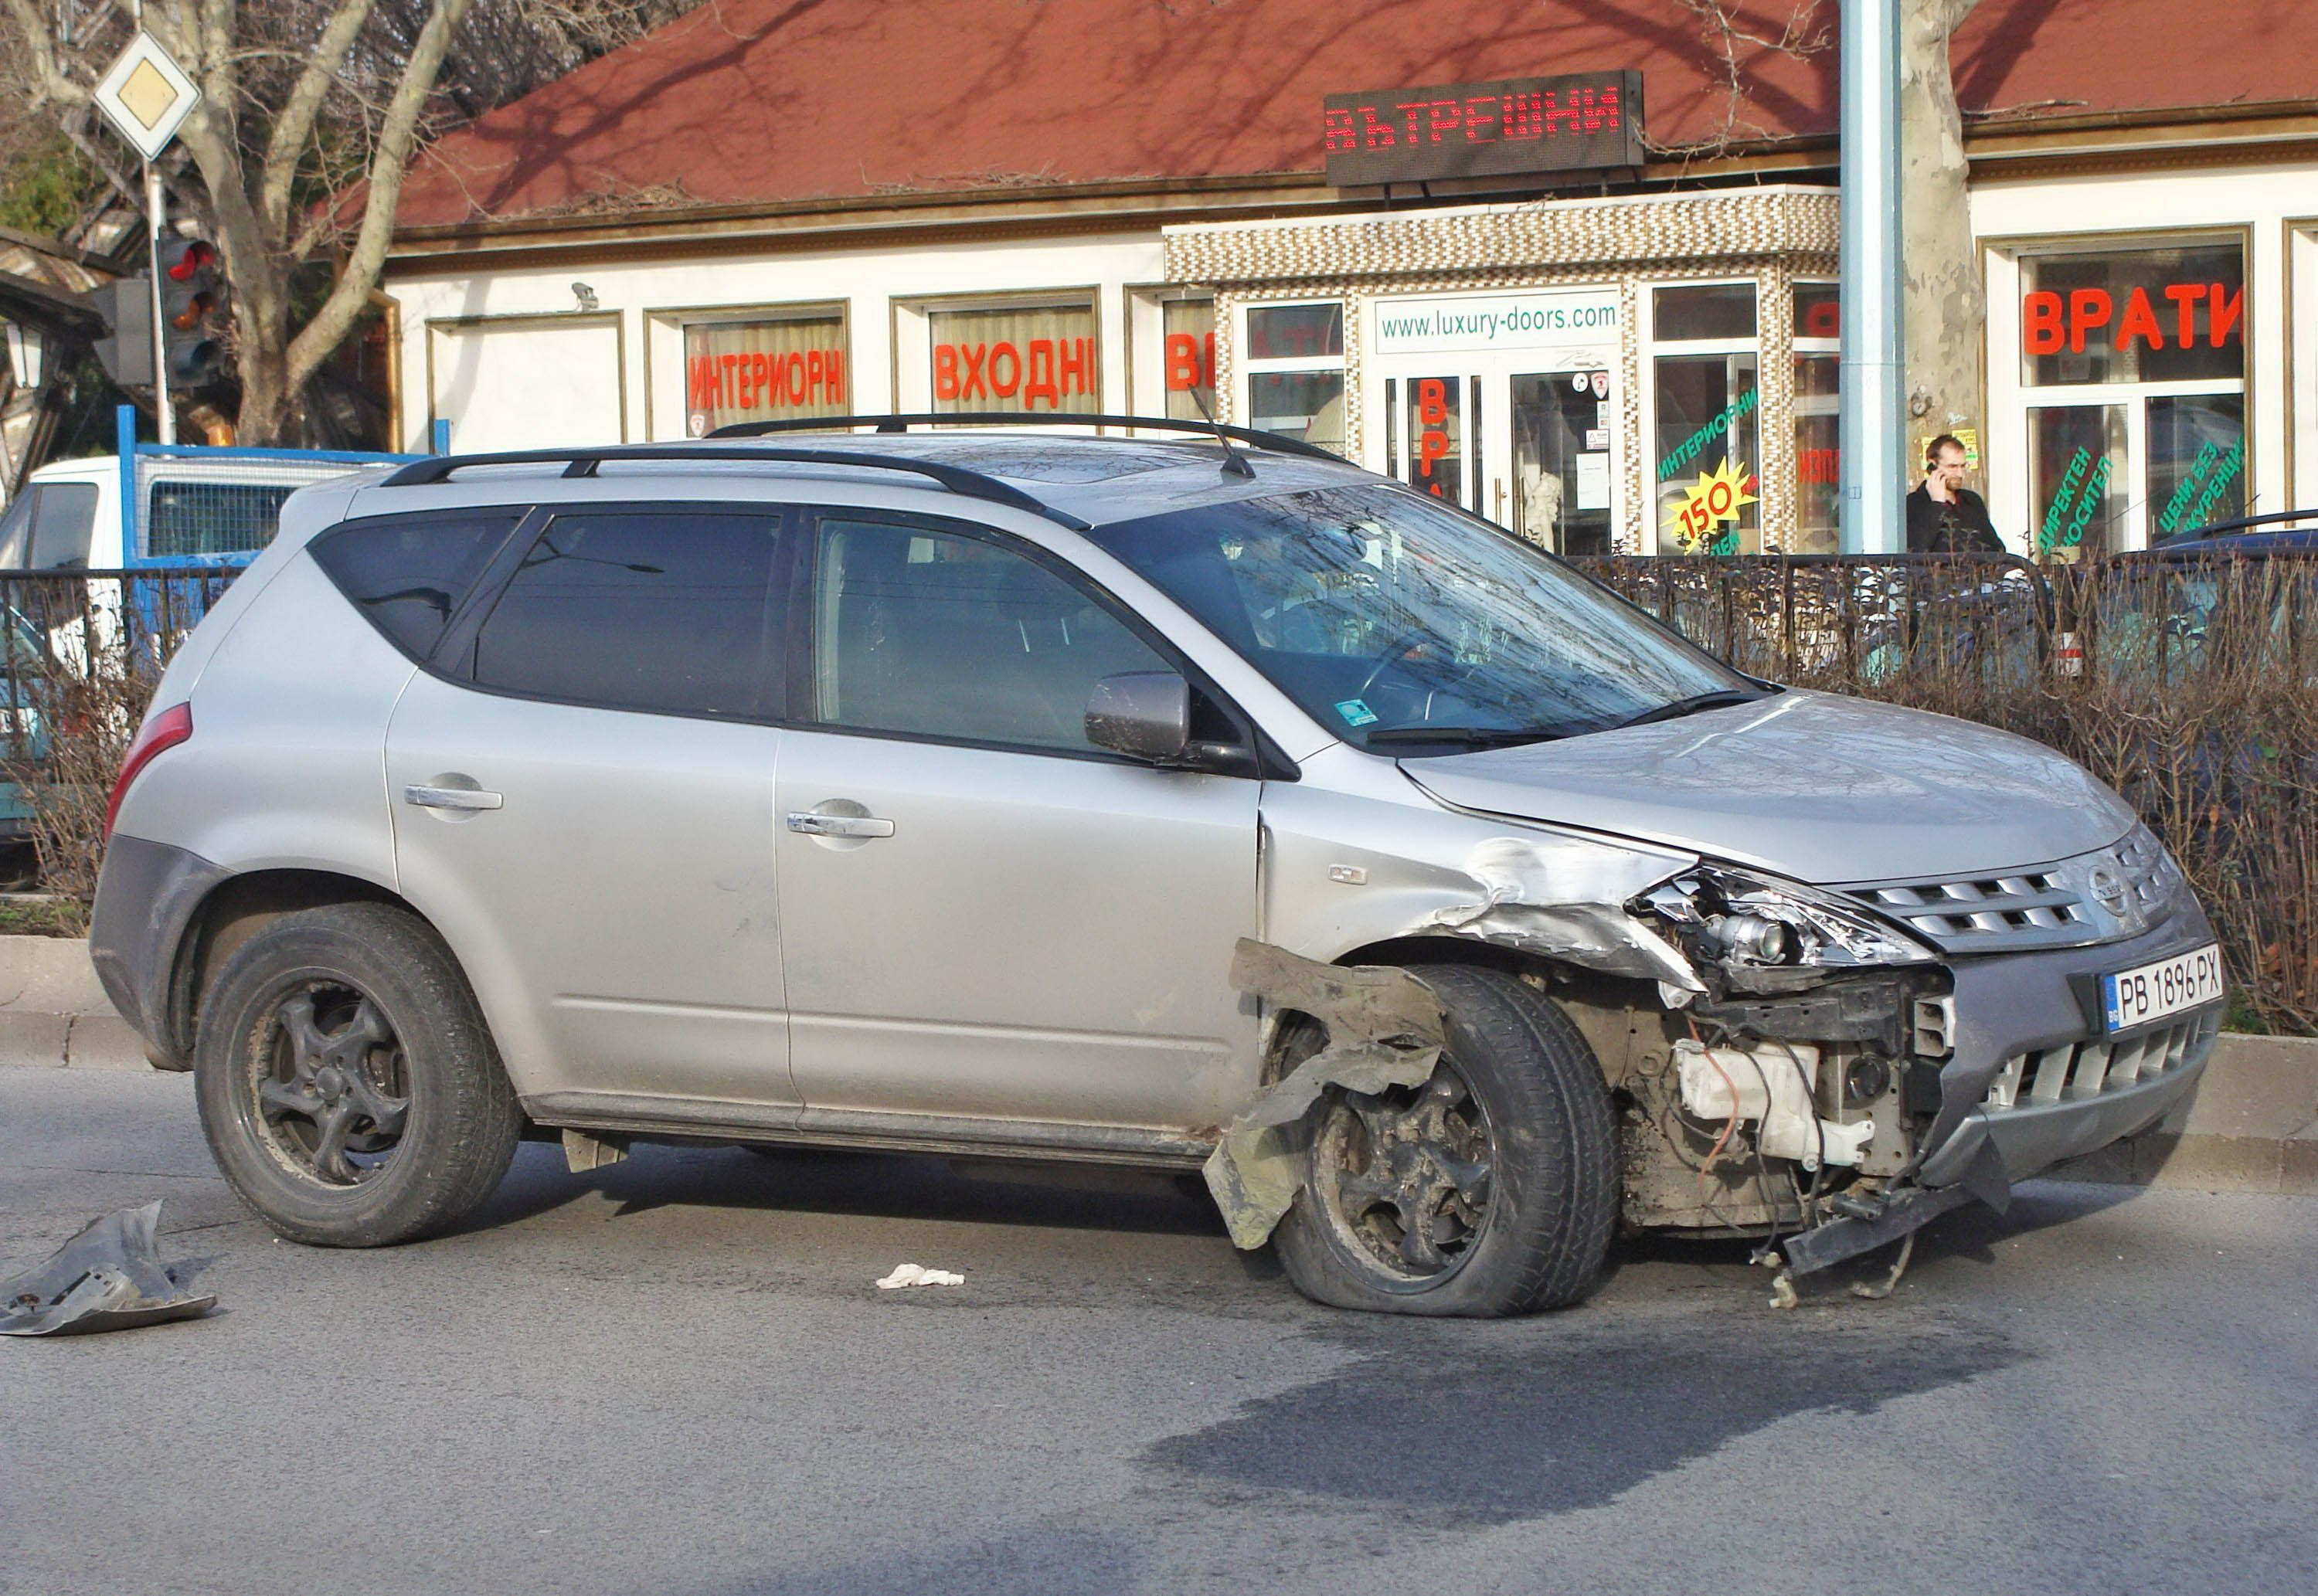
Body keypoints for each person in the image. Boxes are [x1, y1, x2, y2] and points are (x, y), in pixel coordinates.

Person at [1906, 434, 2005, 554]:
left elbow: (1996, 548)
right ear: (1933, 465)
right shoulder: (1914, 503)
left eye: (1963, 466)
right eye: (1952, 467)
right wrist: (1937, 505)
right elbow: (1915, 549)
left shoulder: (1972, 501)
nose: (1960, 474)